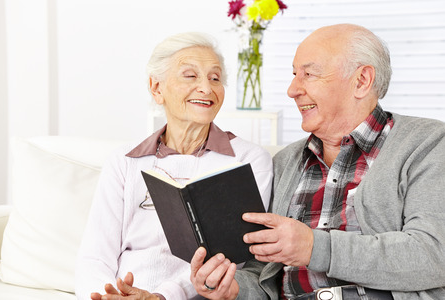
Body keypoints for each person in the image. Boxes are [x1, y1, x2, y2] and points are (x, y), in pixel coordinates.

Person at [190, 23, 445, 300]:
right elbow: (263, 274)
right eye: (293, 74)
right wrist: (233, 288)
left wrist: (313, 247)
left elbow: (433, 255)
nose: (292, 90)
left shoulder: (427, 143)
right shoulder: (285, 162)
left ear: (361, 81)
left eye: (308, 74)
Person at [74, 32, 273, 300]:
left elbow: (230, 260)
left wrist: (162, 296)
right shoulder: (123, 161)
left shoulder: (247, 160)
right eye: (190, 76)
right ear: (157, 88)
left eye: (215, 78)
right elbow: (95, 255)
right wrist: (103, 295)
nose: (206, 88)